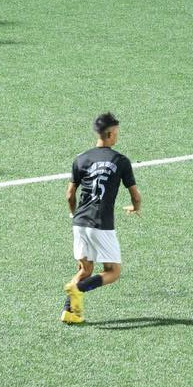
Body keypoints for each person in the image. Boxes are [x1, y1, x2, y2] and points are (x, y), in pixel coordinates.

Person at [62, 111, 140, 325]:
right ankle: (79, 288)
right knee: (113, 272)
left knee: (85, 269)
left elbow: (70, 194)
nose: (117, 136)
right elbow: (135, 194)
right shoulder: (121, 161)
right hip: (101, 224)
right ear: (109, 134)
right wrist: (135, 207)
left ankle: (70, 312)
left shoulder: (80, 159)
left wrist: (73, 213)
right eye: (116, 133)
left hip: (79, 223)